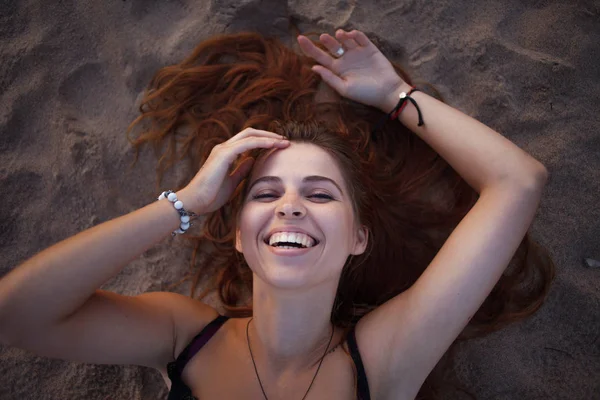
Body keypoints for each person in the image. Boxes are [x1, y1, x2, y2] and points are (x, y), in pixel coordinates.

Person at [0, 28, 555, 400]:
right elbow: (17, 314)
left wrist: (394, 93)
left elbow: (518, 182)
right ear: (240, 236)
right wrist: (184, 206)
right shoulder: (182, 334)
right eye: (265, 195)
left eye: (319, 195)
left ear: (358, 237)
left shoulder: (389, 355)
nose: (290, 204)